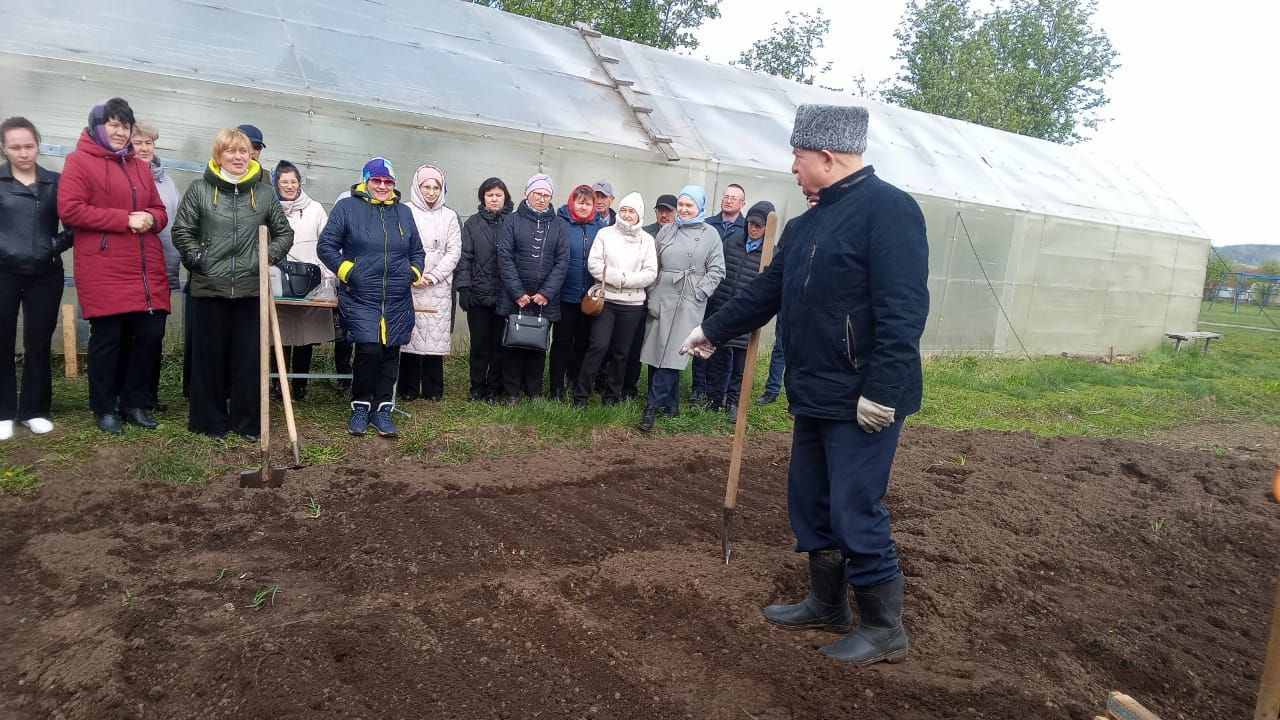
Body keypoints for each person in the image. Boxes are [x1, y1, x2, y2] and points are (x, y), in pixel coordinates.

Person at [682, 104, 929, 665]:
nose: (792, 168)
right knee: (811, 501)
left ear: (826, 157)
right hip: (815, 388)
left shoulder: (889, 211)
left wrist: (884, 389)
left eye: (797, 157)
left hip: (864, 396)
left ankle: (885, 627)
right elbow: (769, 290)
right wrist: (712, 330)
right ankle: (827, 602)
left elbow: (904, 309)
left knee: (853, 505)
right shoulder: (806, 223)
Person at [58, 98, 171, 435]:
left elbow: (159, 210)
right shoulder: (79, 161)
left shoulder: (138, 166)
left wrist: (152, 217)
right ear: (98, 127)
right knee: (109, 338)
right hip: (104, 265)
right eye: (114, 124)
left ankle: (133, 401)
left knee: (148, 335)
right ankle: (105, 406)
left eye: (125, 126)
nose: (121, 132)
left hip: (144, 266)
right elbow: (70, 210)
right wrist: (125, 219)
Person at [171, 128, 292, 440]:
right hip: (210, 288)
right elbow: (182, 230)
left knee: (248, 359)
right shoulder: (199, 190)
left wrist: (265, 257)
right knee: (209, 358)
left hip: (250, 288)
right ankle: (209, 422)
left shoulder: (264, 193)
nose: (239, 157)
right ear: (219, 156)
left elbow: (284, 233)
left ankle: (247, 422)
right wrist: (200, 259)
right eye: (231, 152)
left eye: (244, 151)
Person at [318, 158, 424, 436]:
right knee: (369, 349)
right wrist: (348, 271)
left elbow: (418, 251)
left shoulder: (403, 213)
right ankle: (361, 406)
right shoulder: (347, 207)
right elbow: (326, 245)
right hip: (362, 295)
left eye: (388, 182)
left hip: (397, 297)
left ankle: (383, 409)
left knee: (390, 351)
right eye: (376, 180)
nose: (382, 186)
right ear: (366, 180)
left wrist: (412, 272)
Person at [0, 117, 71, 441]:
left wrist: (50, 245)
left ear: (38, 146)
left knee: (38, 342)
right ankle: (4, 412)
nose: (23, 152)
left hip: (46, 273)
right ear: (4, 148)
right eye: (15, 147)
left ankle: (34, 410)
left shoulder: (55, 182)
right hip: (4, 272)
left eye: (28, 145)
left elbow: (74, 222)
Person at [636, 186, 724, 432]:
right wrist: (652, 291)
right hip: (663, 293)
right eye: (682, 205)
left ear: (700, 208)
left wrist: (699, 291)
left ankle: (651, 407)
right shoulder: (666, 230)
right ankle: (671, 405)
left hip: (689, 298)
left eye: (690, 206)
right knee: (656, 350)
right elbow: (654, 263)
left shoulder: (710, 234)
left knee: (675, 351)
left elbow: (717, 269)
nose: (685, 210)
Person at [573, 192, 656, 406]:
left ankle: (612, 395)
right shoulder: (605, 234)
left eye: (632, 211)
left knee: (621, 352)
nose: (627, 215)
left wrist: (625, 280)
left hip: (632, 304)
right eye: (624, 210)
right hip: (606, 301)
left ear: (639, 215)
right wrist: (617, 278)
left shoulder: (647, 240)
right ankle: (581, 394)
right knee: (598, 345)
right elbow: (594, 264)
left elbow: (650, 273)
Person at [496, 173, 569, 404]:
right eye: (538, 193)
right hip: (515, 295)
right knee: (514, 343)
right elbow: (505, 256)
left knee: (537, 344)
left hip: (543, 298)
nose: (541, 198)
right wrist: (518, 292)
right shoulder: (513, 220)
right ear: (527, 193)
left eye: (546, 195)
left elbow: (562, 261)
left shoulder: (559, 225)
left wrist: (546, 293)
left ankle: (534, 391)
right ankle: (511, 392)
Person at [272, 160, 334, 401]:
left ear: (300, 183)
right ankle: (279, 384)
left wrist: (326, 277)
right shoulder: (271, 207)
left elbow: (326, 242)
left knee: (304, 336)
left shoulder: (315, 209)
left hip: (308, 280)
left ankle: (300, 385)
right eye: (284, 181)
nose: (289, 186)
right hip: (279, 280)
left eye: (293, 181)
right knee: (279, 334)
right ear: (277, 183)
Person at [704, 199, 773, 417]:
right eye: (751, 223)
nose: (753, 228)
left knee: (740, 364)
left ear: (767, 228)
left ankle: (732, 401)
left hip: (748, 314)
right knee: (718, 358)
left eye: (759, 226)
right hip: (724, 308)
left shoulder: (771, 253)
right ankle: (714, 397)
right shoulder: (731, 241)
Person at [131, 122, 181, 413]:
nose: (145, 148)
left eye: (149, 143)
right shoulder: (125, 178)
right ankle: (129, 396)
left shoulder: (167, 182)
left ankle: (148, 393)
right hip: (133, 270)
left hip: (163, 268)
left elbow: (173, 225)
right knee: (133, 334)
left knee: (153, 335)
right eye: (138, 142)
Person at [400, 163, 461, 401]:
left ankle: (433, 388)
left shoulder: (450, 216)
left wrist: (434, 276)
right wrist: (412, 274)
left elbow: (454, 251)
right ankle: (408, 388)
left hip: (438, 284)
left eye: (437, 187)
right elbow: (398, 246)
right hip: (410, 282)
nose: (432, 192)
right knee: (411, 333)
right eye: (427, 187)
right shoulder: (404, 211)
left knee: (434, 336)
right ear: (417, 187)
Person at [548, 184, 606, 400]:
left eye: (588, 203)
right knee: (562, 341)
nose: (583, 207)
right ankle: (556, 386)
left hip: (588, 296)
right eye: (580, 202)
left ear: (593, 206)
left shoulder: (599, 228)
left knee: (583, 342)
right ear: (572, 202)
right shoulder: (560, 224)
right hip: (564, 294)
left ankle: (575, 380)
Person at [456, 177, 512, 401]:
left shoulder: (514, 222)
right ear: (483, 198)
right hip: (478, 296)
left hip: (506, 296)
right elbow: (464, 258)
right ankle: (477, 386)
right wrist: (464, 288)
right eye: (490, 195)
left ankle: (495, 388)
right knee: (479, 344)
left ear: (505, 197)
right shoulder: (472, 224)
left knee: (500, 345)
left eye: (498, 195)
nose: (494, 199)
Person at [697, 183, 747, 408]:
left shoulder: (746, 229)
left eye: (734, 198)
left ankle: (719, 393)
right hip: (708, 294)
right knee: (701, 338)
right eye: (725, 196)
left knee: (725, 349)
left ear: (742, 203)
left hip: (730, 295)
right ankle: (699, 389)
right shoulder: (708, 224)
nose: (728, 200)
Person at [626, 193, 678, 400]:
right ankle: (629, 387)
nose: (664, 215)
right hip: (640, 298)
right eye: (660, 210)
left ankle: (659, 394)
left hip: (665, 301)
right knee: (634, 344)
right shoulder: (644, 233)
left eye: (669, 211)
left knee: (660, 346)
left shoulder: (679, 236)